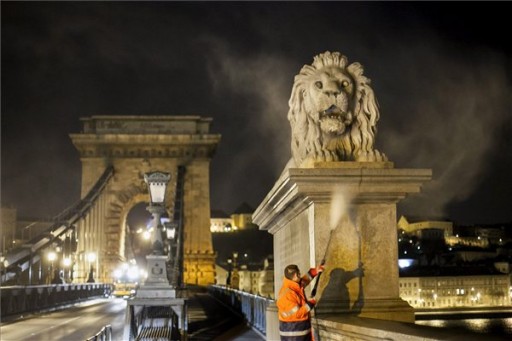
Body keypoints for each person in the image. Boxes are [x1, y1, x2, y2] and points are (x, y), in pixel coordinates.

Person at [277, 263, 325, 341]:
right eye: (299, 274)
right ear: (295, 275)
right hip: (294, 333)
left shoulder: (293, 285)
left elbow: (304, 281)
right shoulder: (288, 294)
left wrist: (315, 271)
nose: (300, 275)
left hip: (298, 330)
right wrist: (310, 304)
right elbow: (297, 313)